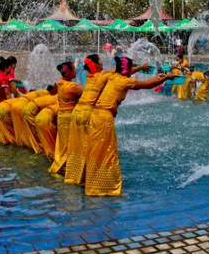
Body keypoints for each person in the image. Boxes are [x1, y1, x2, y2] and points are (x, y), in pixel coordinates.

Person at [85, 56, 174, 197]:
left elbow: (120, 70)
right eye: (131, 67)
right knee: (108, 152)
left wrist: (139, 68)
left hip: (95, 115)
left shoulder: (113, 76)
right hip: (104, 118)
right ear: (126, 69)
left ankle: (92, 183)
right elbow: (148, 85)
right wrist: (165, 77)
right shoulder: (125, 81)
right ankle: (105, 187)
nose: (133, 70)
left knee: (97, 151)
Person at [64, 54, 116, 186]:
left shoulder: (89, 77)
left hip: (76, 113)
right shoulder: (101, 76)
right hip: (87, 114)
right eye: (99, 60)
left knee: (79, 147)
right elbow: (119, 71)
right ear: (96, 64)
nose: (102, 61)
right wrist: (138, 68)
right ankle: (91, 179)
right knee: (92, 147)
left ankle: (75, 177)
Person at [49, 62, 83, 175]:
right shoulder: (73, 86)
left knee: (63, 144)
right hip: (69, 117)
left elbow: (51, 92)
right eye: (74, 68)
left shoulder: (60, 83)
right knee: (71, 143)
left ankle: (61, 166)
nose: (76, 70)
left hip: (61, 116)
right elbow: (86, 98)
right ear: (69, 72)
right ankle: (67, 168)